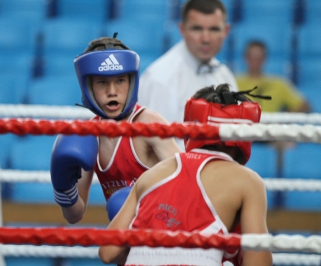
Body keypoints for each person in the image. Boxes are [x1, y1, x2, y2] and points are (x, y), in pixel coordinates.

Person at [98, 84, 272, 265]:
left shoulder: (152, 175)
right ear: (243, 134)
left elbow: (108, 251)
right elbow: (259, 262)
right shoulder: (247, 181)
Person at [50, 34, 182, 224]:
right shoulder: (88, 137)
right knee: (109, 251)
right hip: (128, 239)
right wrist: (64, 187)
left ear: (131, 82)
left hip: (166, 231)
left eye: (120, 80)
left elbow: (189, 183)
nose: (112, 91)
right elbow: (74, 215)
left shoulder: (147, 124)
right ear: (88, 86)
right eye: (102, 82)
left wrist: (149, 205)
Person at [138, 0, 237, 133]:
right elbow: (155, 146)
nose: (206, 38)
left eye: (214, 29)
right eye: (197, 28)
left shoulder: (224, 74)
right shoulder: (160, 78)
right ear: (182, 30)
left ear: (226, 31)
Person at [236, 40, 311, 113]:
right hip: (242, 125)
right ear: (245, 58)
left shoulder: (278, 84)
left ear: (265, 58)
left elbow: (305, 106)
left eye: (259, 56)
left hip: (270, 125)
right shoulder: (234, 81)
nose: (255, 60)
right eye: (251, 56)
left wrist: (284, 118)